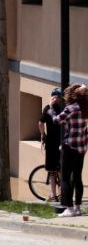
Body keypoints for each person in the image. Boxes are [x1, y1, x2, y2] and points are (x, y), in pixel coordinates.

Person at [52, 84, 88, 217]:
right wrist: (84, 88)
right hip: (82, 147)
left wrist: (52, 108)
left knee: (65, 178)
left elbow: (56, 120)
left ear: (71, 95)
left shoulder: (71, 108)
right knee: (77, 178)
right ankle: (78, 208)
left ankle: (69, 208)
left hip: (70, 146)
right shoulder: (85, 108)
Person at [40, 87, 66, 202]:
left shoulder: (48, 109)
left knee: (51, 170)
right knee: (62, 169)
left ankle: (53, 195)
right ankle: (63, 194)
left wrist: (43, 134)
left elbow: (40, 123)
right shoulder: (65, 109)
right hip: (63, 142)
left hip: (51, 144)